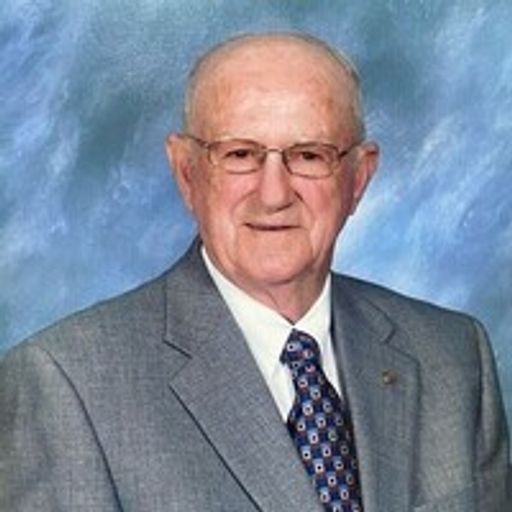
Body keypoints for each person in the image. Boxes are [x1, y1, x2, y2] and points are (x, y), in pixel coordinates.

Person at [0, 32, 510, 512]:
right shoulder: (66, 384)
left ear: (358, 178)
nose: (274, 194)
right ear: (186, 172)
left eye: (309, 155)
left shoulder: (453, 356)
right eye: (240, 154)